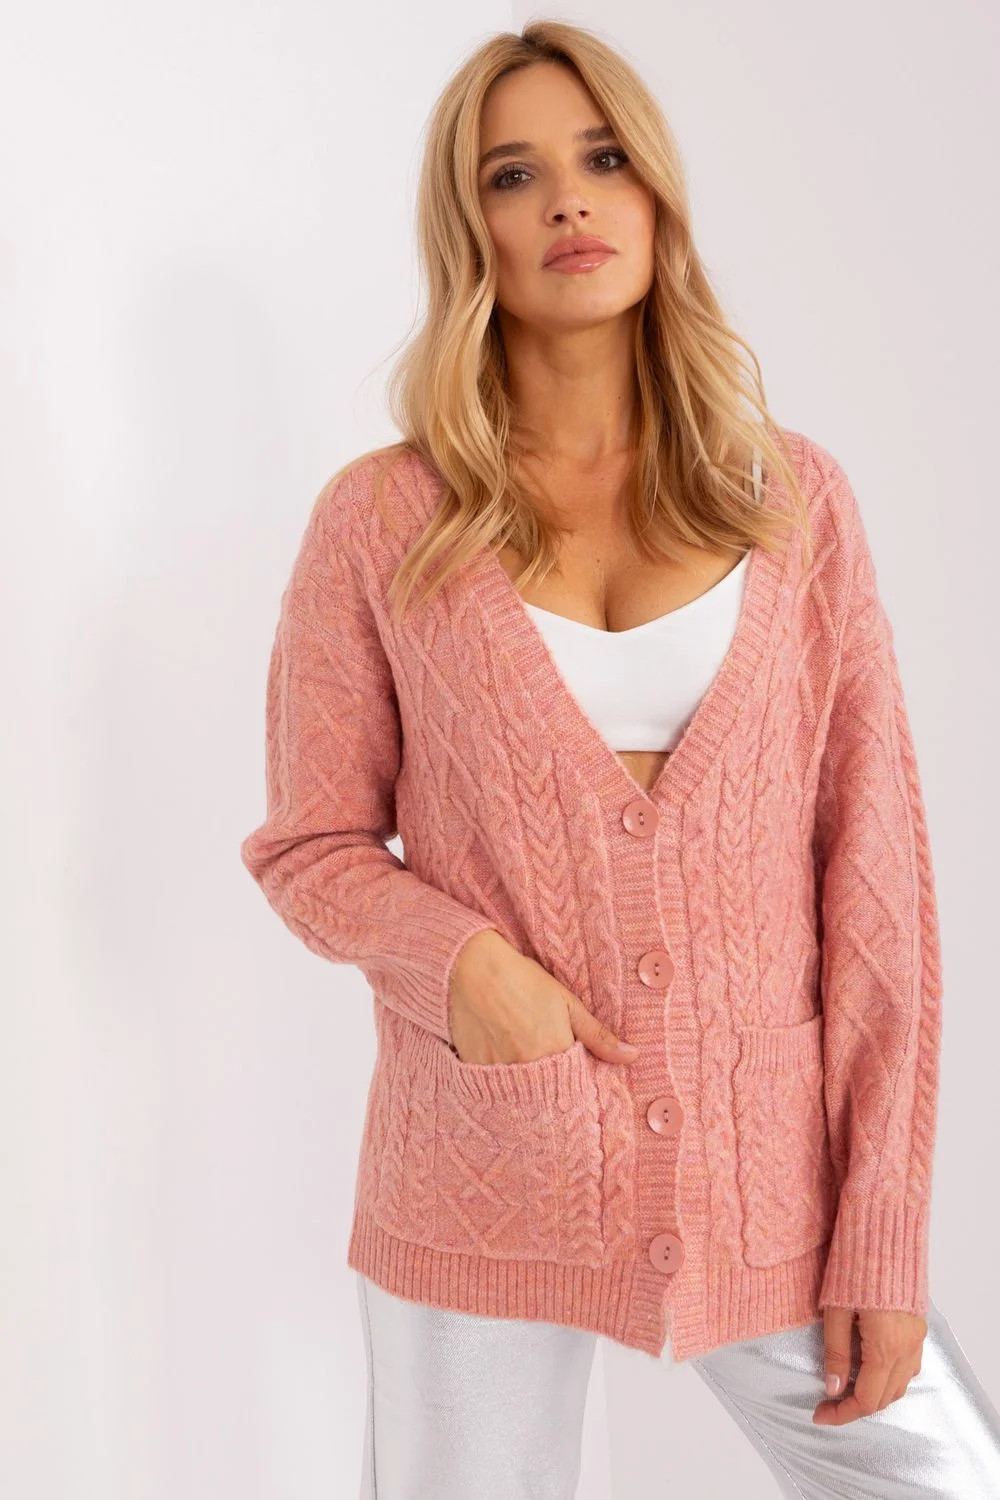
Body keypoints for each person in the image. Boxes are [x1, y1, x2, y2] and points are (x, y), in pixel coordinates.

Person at [239, 20, 1000, 1499]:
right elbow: (309, 846)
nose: (569, 202)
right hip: (481, 1171)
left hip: (766, 1180)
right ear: (471, 228)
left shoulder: (794, 502)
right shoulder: (384, 521)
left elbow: (878, 885)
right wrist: (467, 969)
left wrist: (883, 1229)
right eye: (514, 175)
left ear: (656, 193)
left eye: (602, 159)